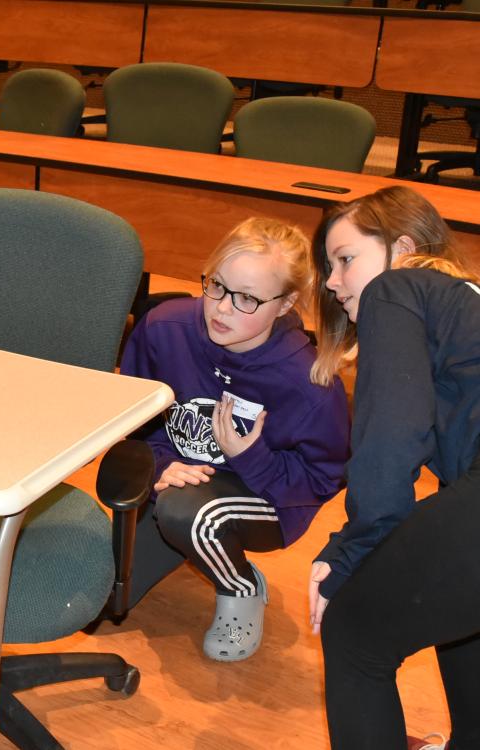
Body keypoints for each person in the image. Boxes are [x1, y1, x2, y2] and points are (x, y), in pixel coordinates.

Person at [120, 217, 349, 661]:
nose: (222, 308)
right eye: (217, 286)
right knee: (100, 605)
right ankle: (185, 536)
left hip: (266, 498)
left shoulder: (309, 383)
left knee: (192, 516)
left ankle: (240, 584)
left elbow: (323, 479)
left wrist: (254, 458)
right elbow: (131, 413)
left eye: (247, 298)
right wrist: (162, 461)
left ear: (285, 304)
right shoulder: (163, 327)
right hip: (176, 480)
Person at [307, 185, 480, 750]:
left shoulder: (398, 287)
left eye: (345, 259)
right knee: (457, 610)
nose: (332, 282)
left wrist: (350, 551)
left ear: (402, 248)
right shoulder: (462, 300)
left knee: (354, 633)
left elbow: (392, 437)